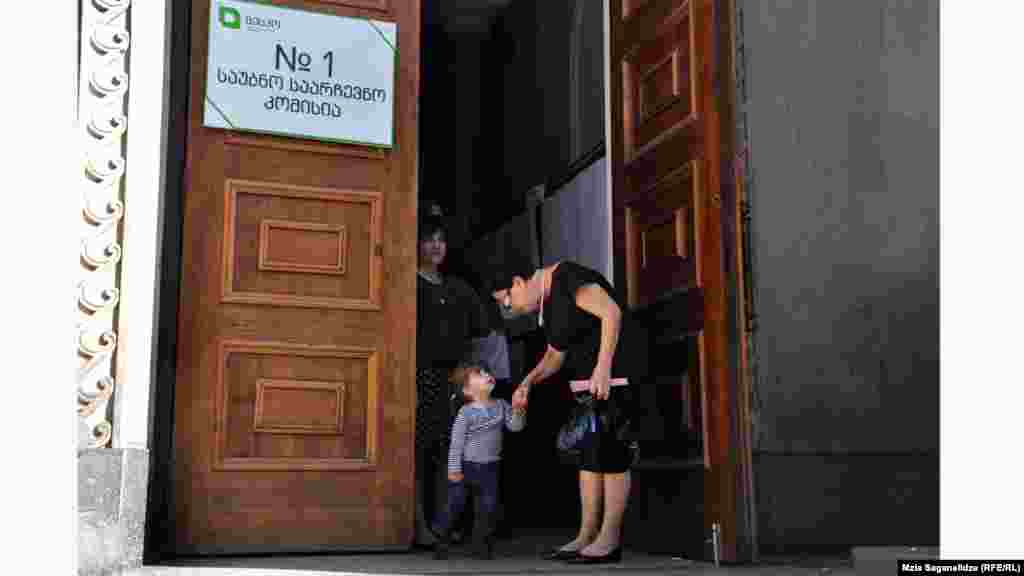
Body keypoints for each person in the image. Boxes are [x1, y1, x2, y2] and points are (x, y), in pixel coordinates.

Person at [493, 261, 646, 565]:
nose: (510, 309)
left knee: (612, 457)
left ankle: (609, 539)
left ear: (518, 281)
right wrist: (528, 381)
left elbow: (611, 313)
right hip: (586, 387)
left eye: (506, 300)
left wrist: (603, 367)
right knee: (589, 458)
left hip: (612, 380)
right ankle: (586, 535)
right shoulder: (548, 306)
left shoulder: (568, 278)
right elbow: (554, 355)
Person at [415, 209, 490, 547]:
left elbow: (478, 336)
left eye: (440, 239)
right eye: (428, 238)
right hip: (419, 378)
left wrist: (470, 380)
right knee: (418, 451)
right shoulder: (408, 284)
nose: (435, 245)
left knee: (451, 452)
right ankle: (416, 524)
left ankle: (444, 523)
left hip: (454, 380)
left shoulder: (458, 288)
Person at [433, 363, 526, 560]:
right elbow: (456, 443)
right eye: (479, 374)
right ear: (467, 389)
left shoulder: (501, 405)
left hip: (490, 468)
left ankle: (481, 545)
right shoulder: (465, 413)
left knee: (487, 507)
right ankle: (443, 538)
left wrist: (518, 410)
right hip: (466, 467)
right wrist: (454, 469)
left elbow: (515, 427)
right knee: (454, 505)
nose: (487, 375)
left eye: (487, 372)